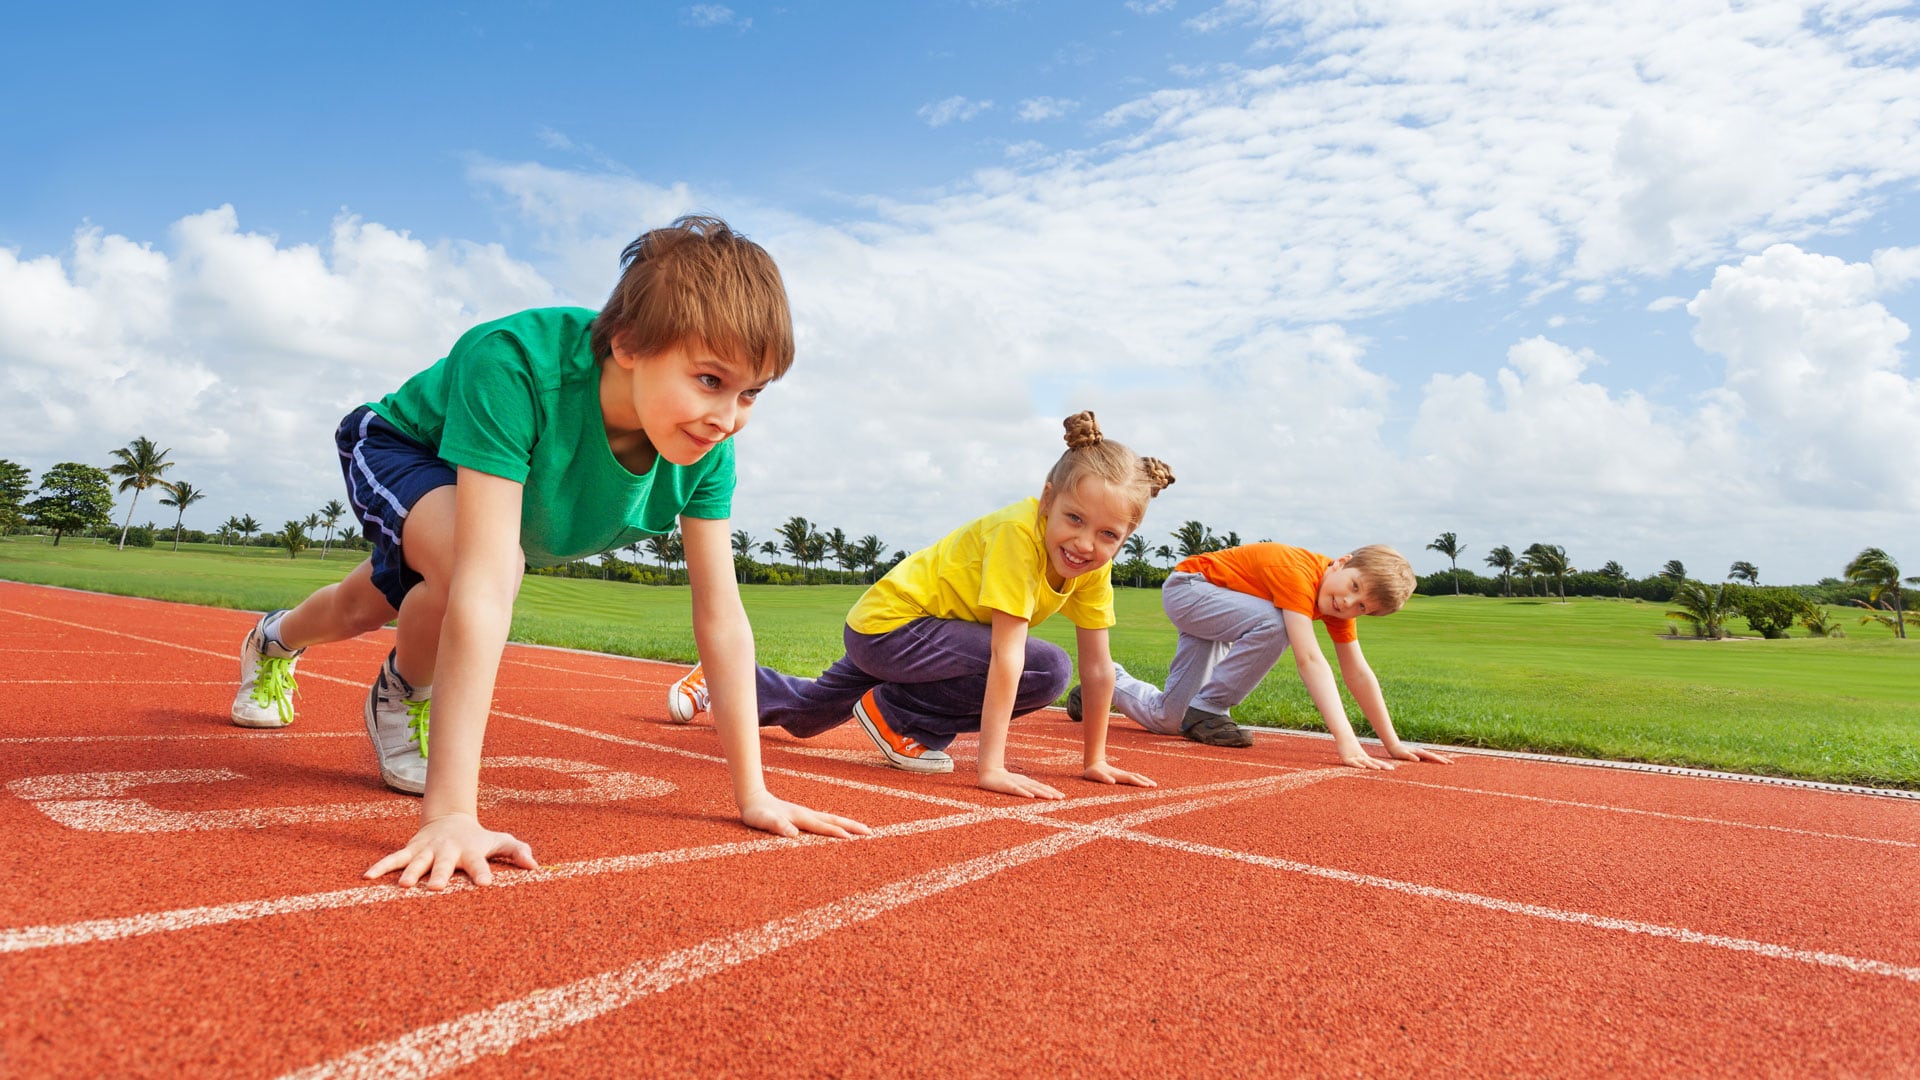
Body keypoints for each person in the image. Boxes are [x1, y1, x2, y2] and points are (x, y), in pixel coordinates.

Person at [229, 215, 869, 888]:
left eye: (751, 394)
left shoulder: (707, 449)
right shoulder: (512, 366)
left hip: (487, 518)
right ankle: (402, 695)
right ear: (627, 344)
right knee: (483, 571)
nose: (729, 416)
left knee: (363, 605)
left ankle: (273, 640)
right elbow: (480, 583)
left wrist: (754, 795)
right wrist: (451, 814)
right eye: (710, 379)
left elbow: (721, 618)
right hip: (403, 445)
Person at [668, 412, 1173, 800]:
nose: (1085, 543)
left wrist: (1096, 759)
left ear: (1126, 535)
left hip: (925, 639)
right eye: (1074, 518)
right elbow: (1007, 655)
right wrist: (990, 768)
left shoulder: (1092, 565)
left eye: (1108, 534)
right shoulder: (1019, 534)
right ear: (1046, 501)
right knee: (1047, 669)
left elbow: (1101, 668)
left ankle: (720, 678)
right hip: (894, 628)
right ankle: (899, 718)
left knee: (808, 714)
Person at [1076, 542, 1453, 769]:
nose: (1347, 603)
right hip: (1191, 589)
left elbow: (1357, 671)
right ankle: (1210, 708)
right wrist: (1346, 739)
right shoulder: (1298, 573)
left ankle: (1102, 684)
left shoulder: (1336, 605)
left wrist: (1392, 743)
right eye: (1353, 587)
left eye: (1362, 608)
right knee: (1277, 624)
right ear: (1341, 562)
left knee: (1169, 719)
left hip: (1224, 609)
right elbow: (1310, 659)